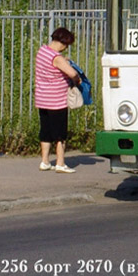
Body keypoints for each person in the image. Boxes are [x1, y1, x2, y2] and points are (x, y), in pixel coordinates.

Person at [35, 27, 80, 173]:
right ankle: (60, 163)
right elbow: (72, 73)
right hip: (57, 101)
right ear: (63, 42)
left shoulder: (42, 51)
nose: (65, 48)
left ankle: (45, 161)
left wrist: (62, 61)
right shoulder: (57, 58)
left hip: (42, 99)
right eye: (66, 45)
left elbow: (51, 64)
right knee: (60, 133)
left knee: (45, 131)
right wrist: (77, 80)